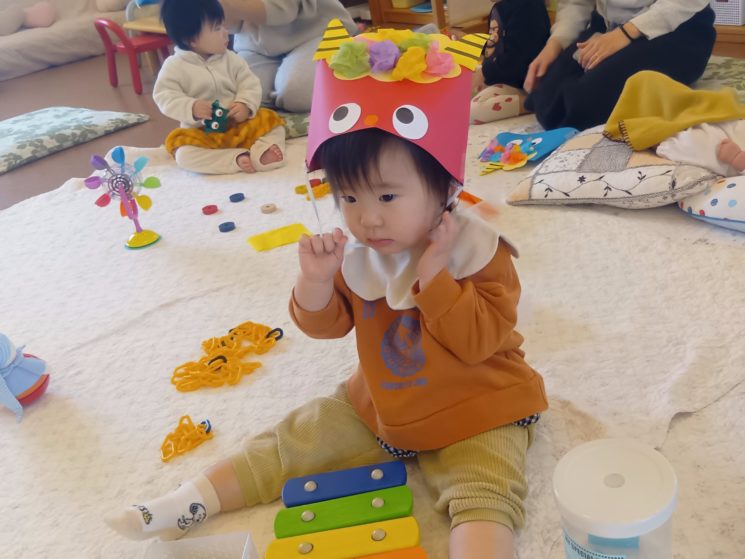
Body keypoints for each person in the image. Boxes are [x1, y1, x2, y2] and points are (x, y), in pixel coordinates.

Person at [105, 25, 547, 559]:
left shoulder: (478, 249)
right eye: (349, 198)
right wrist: (315, 281)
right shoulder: (359, 251)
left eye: (387, 196)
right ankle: (188, 501)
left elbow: (478, 343)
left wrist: (435, 277)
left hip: (480, 405)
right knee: (293, 438)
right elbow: (327, 324)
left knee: (484, 491)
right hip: (381, 404)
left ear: (446, 188)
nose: (368, 218)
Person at [523, 0, 716, 131]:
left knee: (582, 105)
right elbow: (576, 3)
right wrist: (556, 43)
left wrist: (626, 33)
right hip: (609, 26)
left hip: (677, 27)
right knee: (544, 96)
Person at [154, 0, 286, 175]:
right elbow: (164, 96)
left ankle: (262, 151)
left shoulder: (231, 59)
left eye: (224, 26)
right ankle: (234, 159)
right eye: (217, 28)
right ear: (191, 39)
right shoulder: (174, 67)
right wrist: (191, 107)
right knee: (183, 155)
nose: (226, 33)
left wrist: (245, 104)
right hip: (203, 134)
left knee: (273, 121)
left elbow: (249, 83)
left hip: (240, 126)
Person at [219, 0, 358, 112]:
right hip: (258, 46)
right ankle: (277, 91)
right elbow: (231, 23)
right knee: (232, 94)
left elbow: (282, 10)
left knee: (295, 94)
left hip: (319, 32)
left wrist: (227, 4)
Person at [470, 0, 550, 124]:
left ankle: (533, 102)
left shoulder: (527, 7)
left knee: (474, 111)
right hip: (501, 77)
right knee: (459, 90)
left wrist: (484, 73)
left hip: (522, 84)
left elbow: (519, 63)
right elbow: (496, 46)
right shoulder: (500, 6)